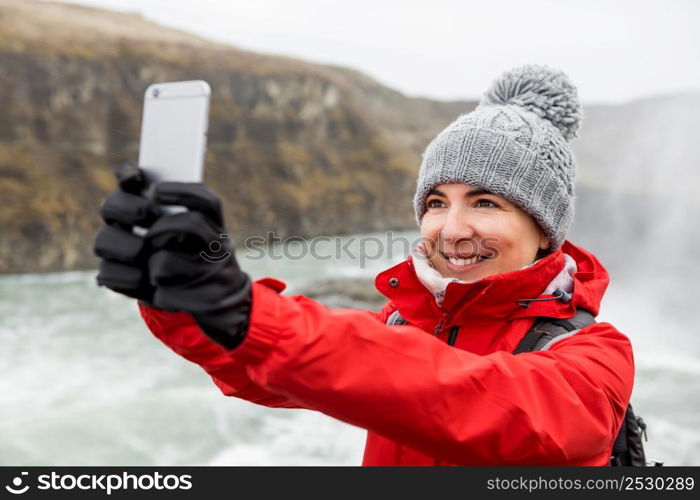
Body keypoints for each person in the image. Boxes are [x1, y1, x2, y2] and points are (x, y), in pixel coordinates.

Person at [93, 65, 634, 466]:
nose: (452, 229)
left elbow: (476, 401)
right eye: (436, 203)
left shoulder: (594, 359)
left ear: (544, 230)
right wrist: (176, 298)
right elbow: (266, 371)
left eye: (486, 202)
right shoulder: (403, 323)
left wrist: (243, 308)